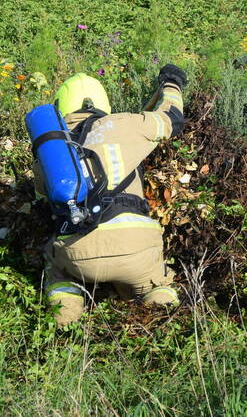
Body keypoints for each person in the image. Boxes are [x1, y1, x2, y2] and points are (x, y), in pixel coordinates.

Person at [39, 65, 187, 325]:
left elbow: (45, 197)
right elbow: (172, 119)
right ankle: (165, 326)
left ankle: (62, 327)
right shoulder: (123, 124)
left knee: (56, 269)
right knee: (157, 285)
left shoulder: (50, 151)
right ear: (103, 102)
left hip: (79, 255)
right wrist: (172, 84)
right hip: (136, 249)